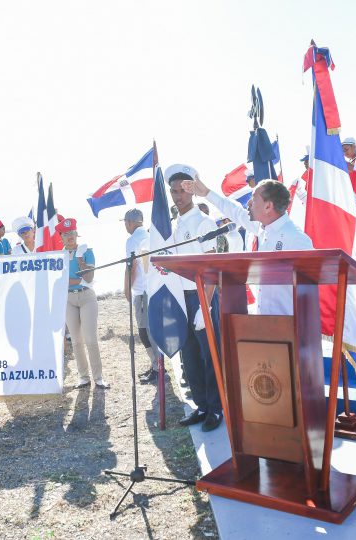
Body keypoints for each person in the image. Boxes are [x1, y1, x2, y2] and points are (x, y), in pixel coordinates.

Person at [193, 176, 313, 315]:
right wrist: (207, 193)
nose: (248, 203)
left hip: (290, 325)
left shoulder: (297, 239)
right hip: (265, 321)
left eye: (254, 198)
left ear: (268, 206)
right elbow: (236, 212)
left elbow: (310, 290)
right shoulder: (262, 228)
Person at [166, 163, 222, 432]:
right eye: (174, 191)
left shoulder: (203, 222)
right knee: (188, 355)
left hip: (201, 295)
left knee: (210, 355)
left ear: (192, 191)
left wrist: (205, 304)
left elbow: (211, 267)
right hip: (180, 296)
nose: (178, 196)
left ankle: (215, 408)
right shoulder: (172, 225)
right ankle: (201, 405)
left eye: (183, 191)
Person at [58, 218, 108, 389]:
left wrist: (80, 258)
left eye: (72, 232)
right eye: (65, 234)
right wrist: (75, 279)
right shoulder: (59, 255)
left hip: (87, 297)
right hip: (69, 299)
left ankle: (98, 377)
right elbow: (61, 281)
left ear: (76, 233)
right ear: (61, 237)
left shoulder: (87, 251)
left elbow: (88, 278)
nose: (69, 236)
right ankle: (83, 377)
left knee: (90, 339)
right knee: (77, 341)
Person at [123, 209, 161, 385]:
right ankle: (155, 365)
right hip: (152, 289)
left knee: (145, 331)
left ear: (130, 223)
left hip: (142, 291)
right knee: (149, 330)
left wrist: (127, 289)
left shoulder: (132, 240)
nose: (125, 226)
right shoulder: (149, 236)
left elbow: (131, 267)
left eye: (125, 223)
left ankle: (158, 368)